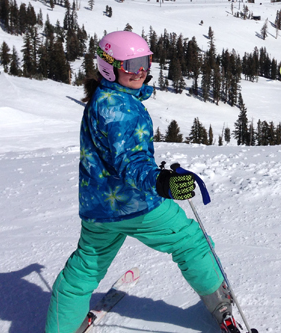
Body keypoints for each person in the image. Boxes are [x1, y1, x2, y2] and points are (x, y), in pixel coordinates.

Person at [45, 30, 241, 333]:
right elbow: (130, 163)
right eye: (131, 64)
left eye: (145, 62)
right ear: (109, 65)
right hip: (138, 206)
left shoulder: (103, 98)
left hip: (99, 209)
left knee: (84, 269)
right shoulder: (121, 109)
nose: (140, 72)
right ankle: (221, 306)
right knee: (191, 243)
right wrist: (162, 183)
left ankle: (62, 327)